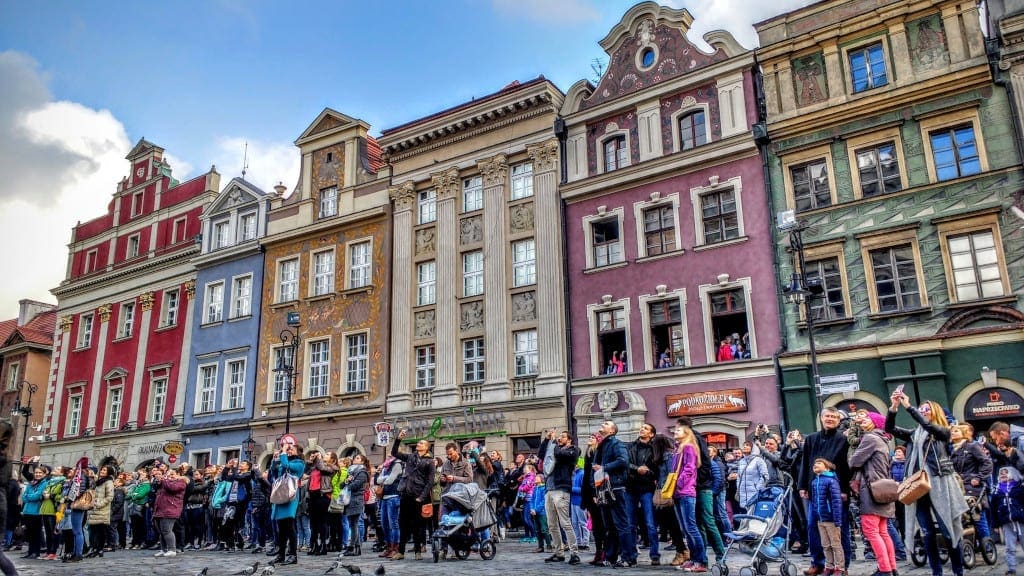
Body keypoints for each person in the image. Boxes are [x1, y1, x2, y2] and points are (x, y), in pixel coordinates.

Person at [886, 392, 969, 576]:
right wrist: (894, 407)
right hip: (919, 487)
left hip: (940, 484)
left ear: (935, 412)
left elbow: (929, 427)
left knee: (948, 531)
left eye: (926, 409)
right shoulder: (914, 435)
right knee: (928, 533)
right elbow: (889, 428)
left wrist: (909, 407)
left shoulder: (943, 431)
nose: (923, 412)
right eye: (921, 409)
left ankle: (958, 570)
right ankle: (936, 572)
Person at [798, 408, 851, 576]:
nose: (830, 419)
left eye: (834, 417)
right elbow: (805, 463)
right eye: (827, 416)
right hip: (815, 491)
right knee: (813, 527)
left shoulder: (843, 439)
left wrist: (844, 490)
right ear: (821, 418)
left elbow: (845, 467)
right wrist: (802, 486)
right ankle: (819, 563)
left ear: (838, 420)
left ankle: (842, 566)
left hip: (836, 493)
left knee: (839, 529)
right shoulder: (811, 439)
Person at [849, 412, 896, 576]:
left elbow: (854, 461)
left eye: (867, 418)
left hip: (870, 489)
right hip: (883, 487)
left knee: (871, 532)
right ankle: (891, 567)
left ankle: (885, 570)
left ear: (875, 422)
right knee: (883, 532)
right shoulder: (883, 439)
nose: (863, 420)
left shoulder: (870, 438)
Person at [592, 420, 634, 568]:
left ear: (612, 431)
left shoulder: (616, 444)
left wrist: (604, 468)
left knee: (621, 524)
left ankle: (628, 557)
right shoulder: (601, 446)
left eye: (607, 423)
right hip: (603, 489)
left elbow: (623, 461)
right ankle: (610, 557)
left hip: (615, 488)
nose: (602, 424)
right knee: (609, 526)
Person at [390, 428, 435, 561]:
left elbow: (430, 482)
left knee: (418, 525)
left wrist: (421, 497)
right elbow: (394, 452)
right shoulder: (410, 457)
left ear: (426, 448)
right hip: (406, 494)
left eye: (421, 443)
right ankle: (401, 551)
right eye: (418, 443)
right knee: (403, 523)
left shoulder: (429, 462)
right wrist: (398, 439)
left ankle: (417, 551)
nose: (418, 444)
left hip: (419, 496)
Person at [539, 429, 581, 565]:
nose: (559, 439)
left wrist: (553, 442)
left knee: (565, 523)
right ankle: (559, 552)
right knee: (552, 525)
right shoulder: (554, 448)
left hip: (561, 489)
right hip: (549, 489)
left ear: (569, 440)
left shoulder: (574, 450)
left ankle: (574, 553)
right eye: (559, 437)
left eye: (563, 437)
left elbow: (559, 453)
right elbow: (541, 455)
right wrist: (547, 440)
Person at [672, 419, 707, 572]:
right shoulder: (678, 448)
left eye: (678, 430)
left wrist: (678, 483)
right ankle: (693, 559)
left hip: (686, 491)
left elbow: (689, 468)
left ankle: (701, 561)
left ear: (686, 433)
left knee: (691, 527)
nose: (675, 432)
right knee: (686, 528)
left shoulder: (689, 447)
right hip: (678, 492)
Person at [625, 422, 661, 565]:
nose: (642, 429)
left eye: (646, 428)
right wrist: (637, 469)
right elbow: (625, 463)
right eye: (642, 427)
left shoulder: (655, 449)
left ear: (651, 434)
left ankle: (655, 554)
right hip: (631, 487)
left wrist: (648, 472)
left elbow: (657, 469)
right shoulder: (630, 446)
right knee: (630, 523)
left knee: (650, 523)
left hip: (647, 488)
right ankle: (632, 555)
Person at [267, 442, 304, 566]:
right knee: (281, 529)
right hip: (281, 495)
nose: (288, 450)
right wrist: (275, 459)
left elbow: (286, 465)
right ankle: (281, 555)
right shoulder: (285, 460)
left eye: (291, 449)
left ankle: (293, 555)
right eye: (288, 449)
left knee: (289, 527)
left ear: (298, 452)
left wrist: (283, 452)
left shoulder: (299, 463)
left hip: (290, 496)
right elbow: (274, 472)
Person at [811, 458, 845, 576]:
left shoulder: (831, 481)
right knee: (825, 545)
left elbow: (836, 501)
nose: (815, 465)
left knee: (836, 544)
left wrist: (837, 520)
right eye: (814, 463)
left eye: (819, 463)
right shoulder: (815, 482)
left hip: (831, 519)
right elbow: (815, 501)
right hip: (821, 519)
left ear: (827, 467)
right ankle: (829, 566)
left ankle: (840, 568)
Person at [992, 466, 1024, 576]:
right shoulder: (997, 490)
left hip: (1021, 521)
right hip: (1006, 523)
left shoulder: (1019, 487)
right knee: (1010, 547)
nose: (1003, 475)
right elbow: (993, 509)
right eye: (1001, 474)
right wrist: (995, 524)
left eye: (1006, 473)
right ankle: (1011, 569)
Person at [151, 466, 186, 558]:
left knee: (167, 530)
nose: (170, 476)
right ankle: (164, 549)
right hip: (160, 510)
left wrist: (164, 480)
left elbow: (172, 488)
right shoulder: (165, 483)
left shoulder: (181, 482)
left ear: (179, 475)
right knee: (161, 531)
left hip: (170, 509)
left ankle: (172, 549)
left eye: (173, 474)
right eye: (169, 474)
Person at [376, 455, 403, 559]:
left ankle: (395, 548)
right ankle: (388, 547)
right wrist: (384, 478)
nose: (388, 456)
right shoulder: (386, 466)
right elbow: (378, 480)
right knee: (384, 524)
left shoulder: (397, 465)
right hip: (384, 498)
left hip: (394, 497)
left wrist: (383, 479)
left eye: (391, 455)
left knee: (393, 524)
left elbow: (390, 481)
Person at [86, 465, 115, 557]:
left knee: (100, 531)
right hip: (94, 509)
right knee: (94, 530)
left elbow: (109, 497)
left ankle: (99, 549)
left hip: (101, 510)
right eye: (102, 469)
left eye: (105, 470)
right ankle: (95, 548)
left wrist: (99, 504)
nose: (102, 471)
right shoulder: (98, 481)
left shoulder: (109, 482)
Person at [19, 465, 48, 559]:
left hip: (37, 511)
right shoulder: (31, 483)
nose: (38, 474)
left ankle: (36, 552)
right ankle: (30, 551)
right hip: (27, 511)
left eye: (40, 473)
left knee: (36, 533)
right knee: (29, 533)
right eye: (36, 473)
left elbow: (37, 496)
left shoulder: (44, 483)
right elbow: (24, 497)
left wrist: (29, 496)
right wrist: (30, 496)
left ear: (44, 474)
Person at [342, 454, 368, 556]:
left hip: (357, 500)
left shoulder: (362, 472)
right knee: (352, 524)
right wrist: (347, 480)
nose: (354, 459)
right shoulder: (351, 471)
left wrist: (349, 481)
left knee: (354, 524)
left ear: (362, 462)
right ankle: (356, 548)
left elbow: (354, 486)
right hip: (349, 500)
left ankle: (352, 547)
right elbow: (342, 485)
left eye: (357, 458)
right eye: (355, 457)